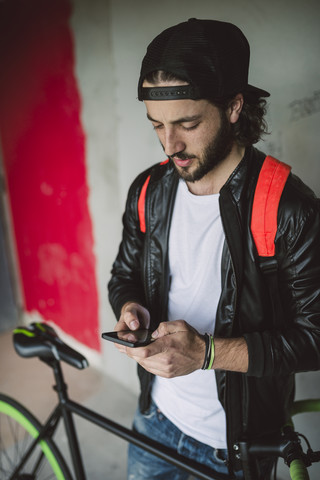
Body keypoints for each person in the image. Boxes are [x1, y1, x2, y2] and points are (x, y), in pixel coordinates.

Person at [108, 18, 320, 480]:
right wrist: (130, 309)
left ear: (234, 107)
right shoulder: (149, 191)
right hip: (153, 422)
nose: (171, 144)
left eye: (187, 123)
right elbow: (123, 273)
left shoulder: (291, 210)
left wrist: (205, 353)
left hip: (235, 450)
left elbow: (315, 339)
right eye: (157, 125)